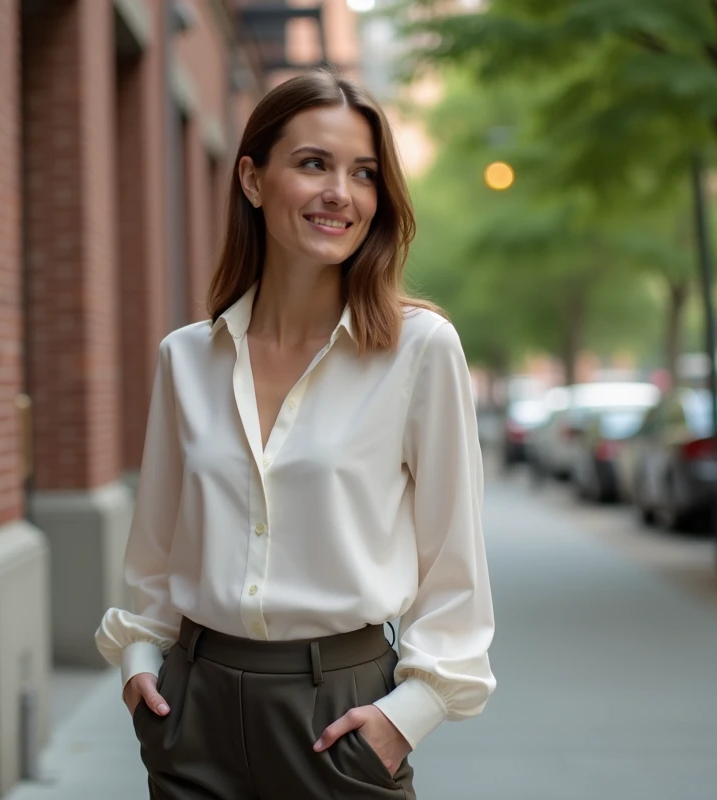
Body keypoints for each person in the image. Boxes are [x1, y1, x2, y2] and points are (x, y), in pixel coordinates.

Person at [95, 67, 496, 800]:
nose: (341, 192)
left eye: (364, 173)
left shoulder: (419, 349)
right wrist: (140, 664)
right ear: (252, 179)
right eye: (314, 164)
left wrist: (408, 715)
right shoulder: (188, 358)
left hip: (340, 716)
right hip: (194, 712)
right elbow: (156, 551)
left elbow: (454, 564)